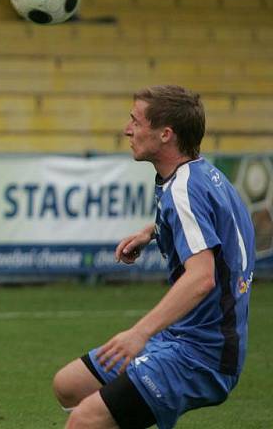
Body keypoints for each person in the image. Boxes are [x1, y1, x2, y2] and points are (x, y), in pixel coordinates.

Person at [52, 85, 255, 429]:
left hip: (202, 353)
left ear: (165, 134)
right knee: (69, 385)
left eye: (136, 121)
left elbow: (201, 277)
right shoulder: (204, 175)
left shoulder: (183, 190)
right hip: (184, 336)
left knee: (85, 420)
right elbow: (217, 229)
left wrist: (139, 333)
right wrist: (154, 231)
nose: (127, 130)